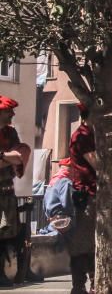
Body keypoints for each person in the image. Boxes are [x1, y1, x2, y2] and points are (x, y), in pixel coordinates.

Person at [42, 105, 97, 294]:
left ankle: (90, 284)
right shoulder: (82, 135)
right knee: (83, 243)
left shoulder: (93, 134)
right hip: (85, 195)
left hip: (91, 193)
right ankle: (80, 286)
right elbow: (96, 162)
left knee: (90, 243)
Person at [0, 96, 32, 287]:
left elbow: (20, 156)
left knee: (4, 233)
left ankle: (2, 273)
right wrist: (8, 157)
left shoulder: (10, 133)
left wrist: (2, 156)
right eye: (8, 111)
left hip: (5, 191)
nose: (12, 114)